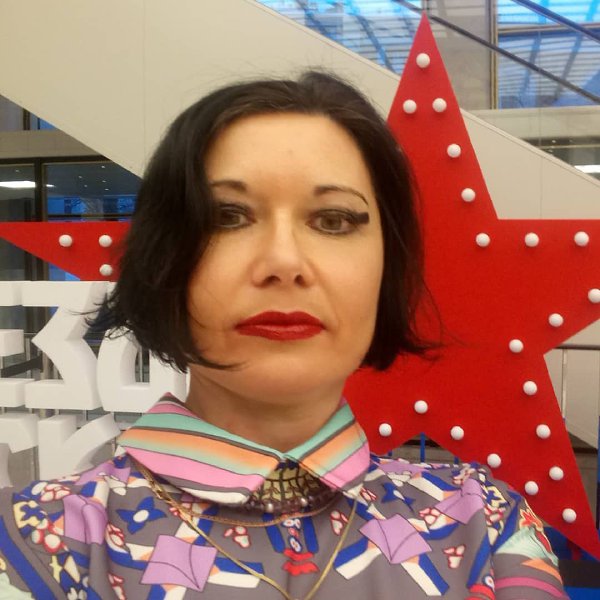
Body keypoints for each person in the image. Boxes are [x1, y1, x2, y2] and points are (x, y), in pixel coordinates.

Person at [0, 71, 566, 599]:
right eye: (227, 216)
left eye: (334, 220)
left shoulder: (482, 524)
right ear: (165, 257)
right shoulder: (35, 542)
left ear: (386, 267)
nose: (284, 262)